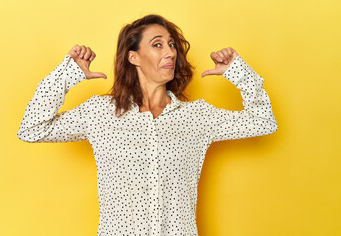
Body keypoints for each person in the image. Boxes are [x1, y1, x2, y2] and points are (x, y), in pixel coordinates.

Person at [17, 14, 278, 236]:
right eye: (157, 45)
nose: (170, 52)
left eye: (172, 44)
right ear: (133, 57)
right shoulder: (100, 113)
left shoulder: (197, 117)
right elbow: (32, 129)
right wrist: (68, 74)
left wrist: (239, 73)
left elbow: (264, 122)